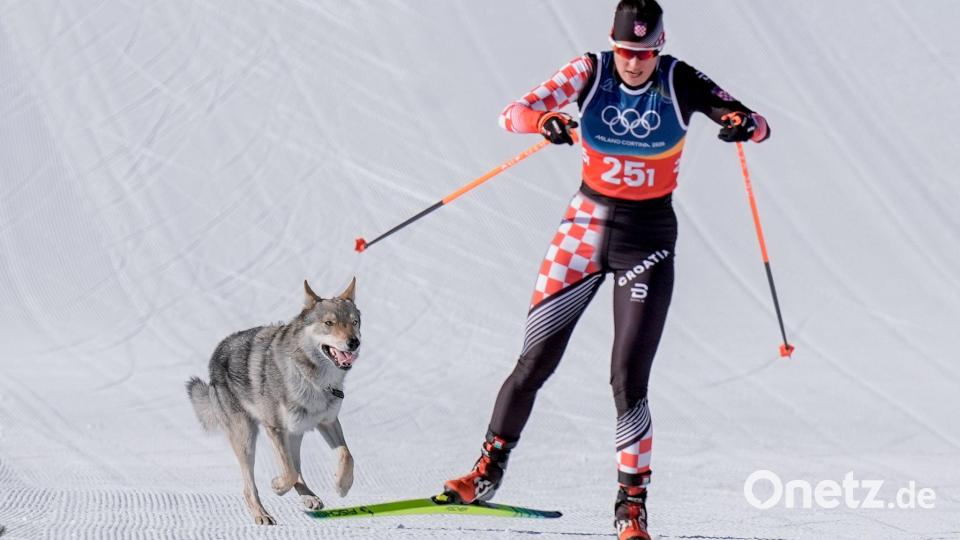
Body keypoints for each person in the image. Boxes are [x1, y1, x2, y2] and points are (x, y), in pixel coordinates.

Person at [443, 1, 770, 539]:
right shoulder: (589, 71)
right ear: (611, 43)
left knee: (627, 380)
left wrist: (741, 123)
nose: (634, 63)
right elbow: (511, 113)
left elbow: (757, 123)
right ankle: (486, 474)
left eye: (643, 53)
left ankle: (632, 506)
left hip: (647, 241)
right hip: (582, 232)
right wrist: (544, 120)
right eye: (625, 51)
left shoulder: (678, 78)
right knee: (533, 363)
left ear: (658, 47)